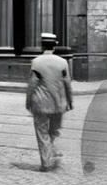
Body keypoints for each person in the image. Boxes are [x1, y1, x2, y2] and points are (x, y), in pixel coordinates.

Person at [27, 32, 74, 172]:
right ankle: (50, 152)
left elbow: (32, 84)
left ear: (42, 46)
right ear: (55, 46)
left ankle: (46, 162)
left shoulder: (36, 62)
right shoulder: (62, 62)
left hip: (40, 103)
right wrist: (70, 101)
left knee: (42, 133)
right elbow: (67, 83)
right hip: (58, 104)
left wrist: (28, 101)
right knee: (54, 131)